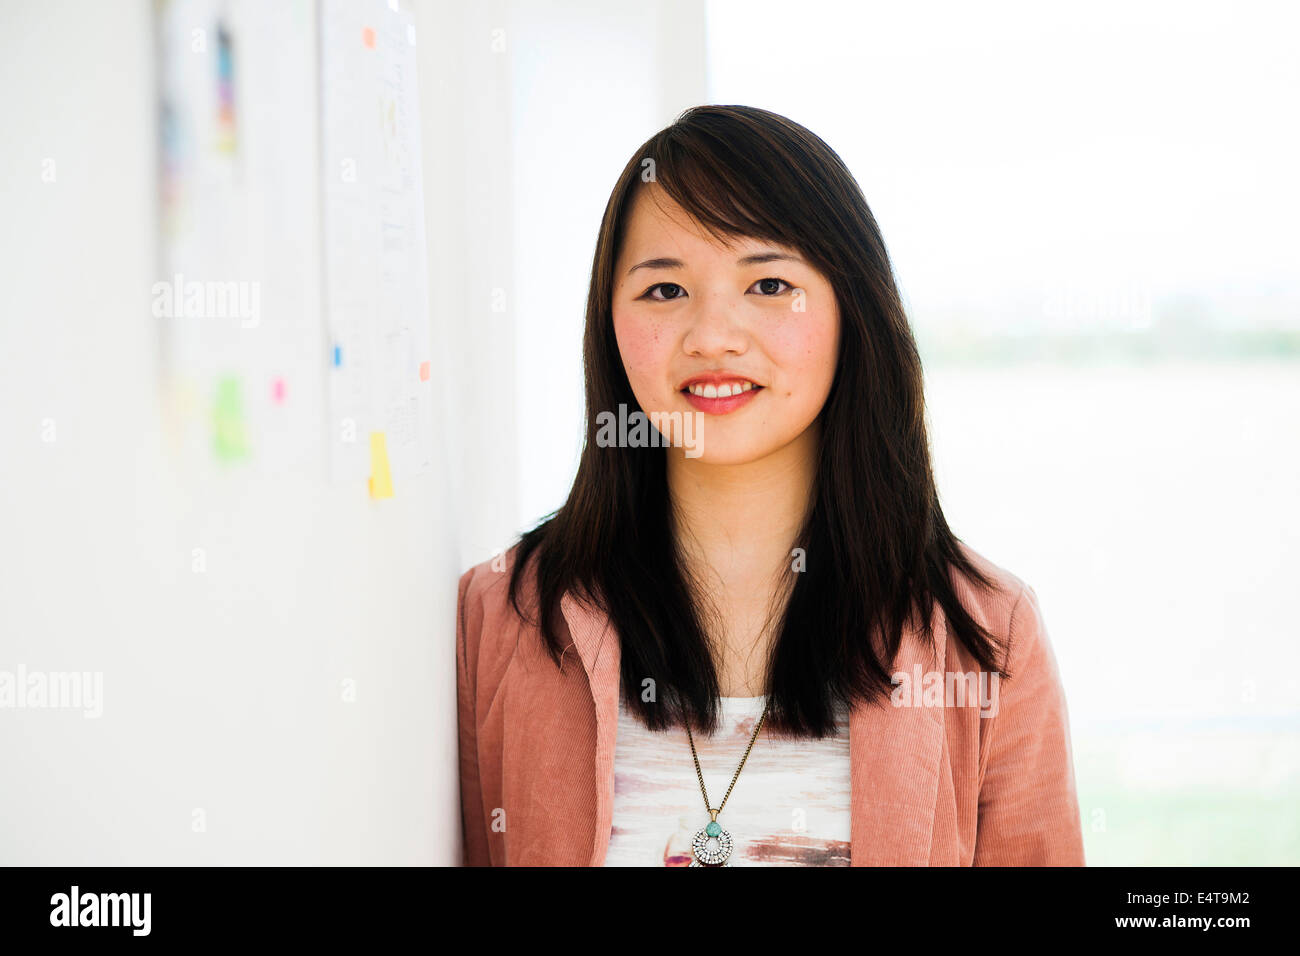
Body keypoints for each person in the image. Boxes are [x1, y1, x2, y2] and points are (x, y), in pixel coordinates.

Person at [456, 105, 1085, 867]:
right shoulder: (501, 618)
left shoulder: (987, 636)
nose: (713, 335)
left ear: (853, 310)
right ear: (608, 324)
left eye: (768, 283)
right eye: (665, 290)